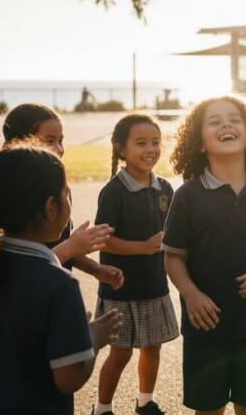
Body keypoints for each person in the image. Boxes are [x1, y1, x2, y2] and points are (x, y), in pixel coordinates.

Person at [0, 146, 122, 414]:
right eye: (66, 193)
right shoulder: (59, 285)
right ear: (50, 208)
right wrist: (93, 338)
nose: (69, 200)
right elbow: (68, 379)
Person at [162, 94, 246, 415]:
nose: (226, 124)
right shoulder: (188, 195)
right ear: (199, 143)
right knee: (209, 408)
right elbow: (173, 257)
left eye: (235, 119)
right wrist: (191, 295)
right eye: (215, 121)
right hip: (205, 325)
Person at [92, 114, 179, 415]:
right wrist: (143, 248)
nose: (150, 149)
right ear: (120, 149)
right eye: (140, 143)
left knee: (152, 349)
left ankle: (145, 402)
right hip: (121, 289)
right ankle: (102, 408)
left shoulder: (166, 188)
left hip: (154, 286)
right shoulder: (114, 192)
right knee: (120, 353)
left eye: (155, 142)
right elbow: (103, 240)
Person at [2, 103, 122, 289]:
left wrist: (95, 269)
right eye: (50, 141)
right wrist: (72, 246)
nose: (59, 148)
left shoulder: (59, 186)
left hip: (55, 292)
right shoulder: (5, 194)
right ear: (17, 143)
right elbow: (22, 271)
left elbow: (63, 244)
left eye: (61, 140)